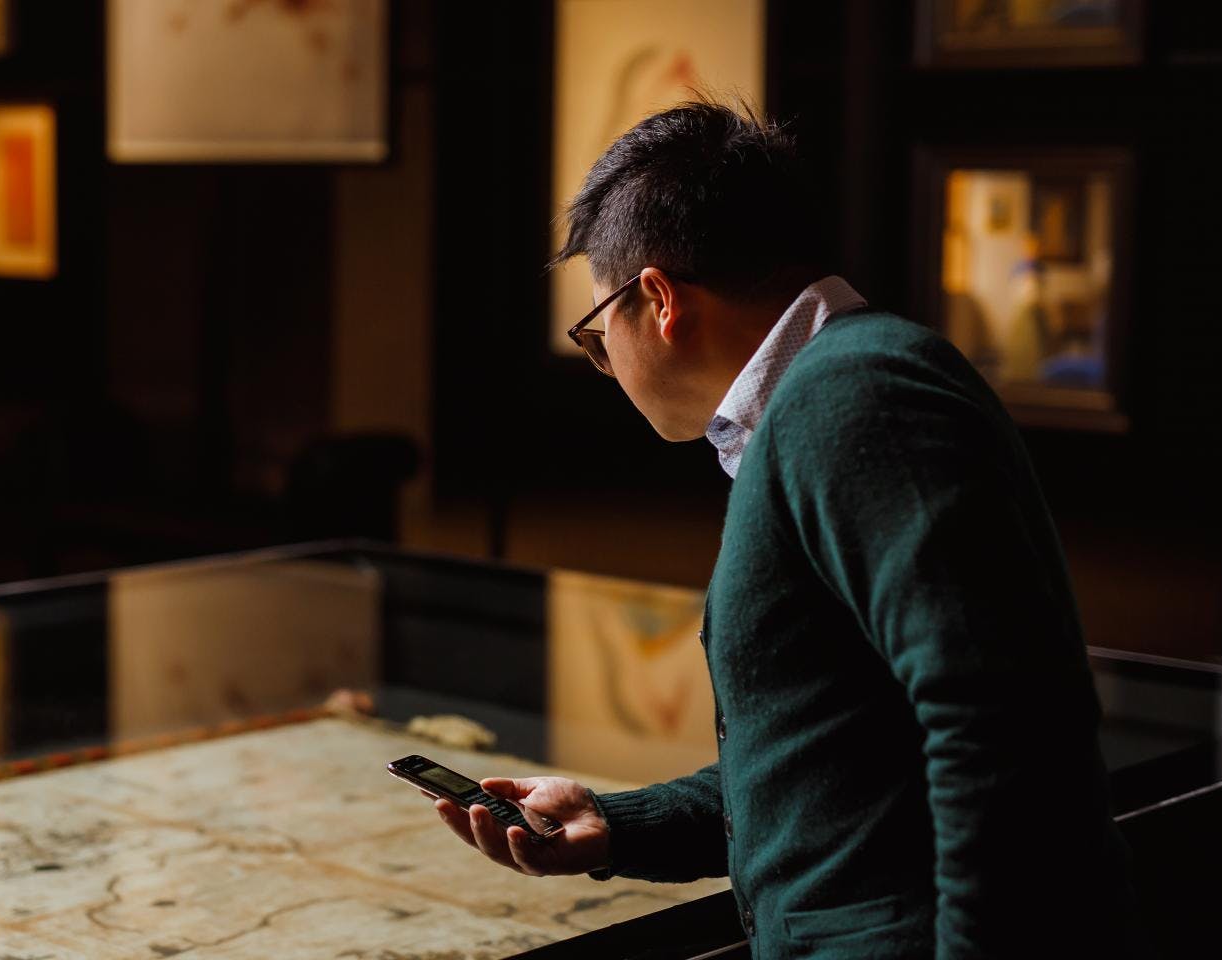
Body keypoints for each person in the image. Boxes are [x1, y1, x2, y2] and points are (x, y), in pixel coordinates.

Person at [430, 101, 1139, 957]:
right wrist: (617, 825)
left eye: (596, 334)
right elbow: (842, 757)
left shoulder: (857, 396)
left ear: (657, 299)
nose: (605, 364)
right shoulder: (825, 399)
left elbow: (1005, 725)